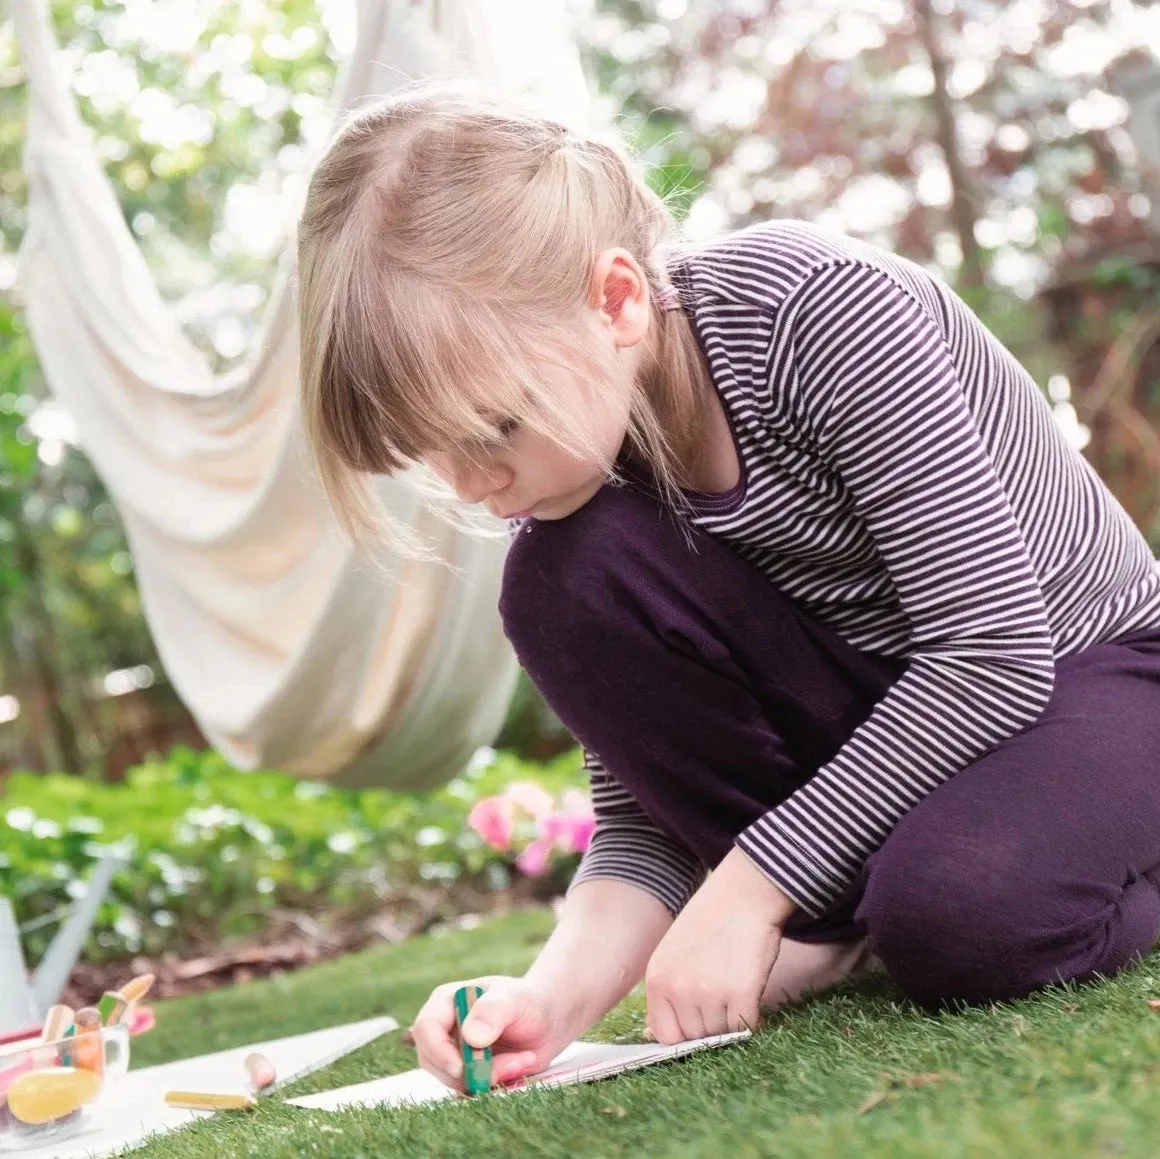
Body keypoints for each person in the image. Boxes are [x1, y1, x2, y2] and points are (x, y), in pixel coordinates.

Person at [296, 84, 1160, 1093]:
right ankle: (860, 914)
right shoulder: (590, 488)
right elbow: (647, 808)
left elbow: (989, 654)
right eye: (426, 453)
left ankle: (917, 898)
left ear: (616, 299)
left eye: (492, 429)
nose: (472, 484)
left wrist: (751, 890)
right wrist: (548, 999)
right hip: (910, 727)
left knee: (961, 918)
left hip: (1086, 670)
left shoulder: (818, 315)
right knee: (554, 584)